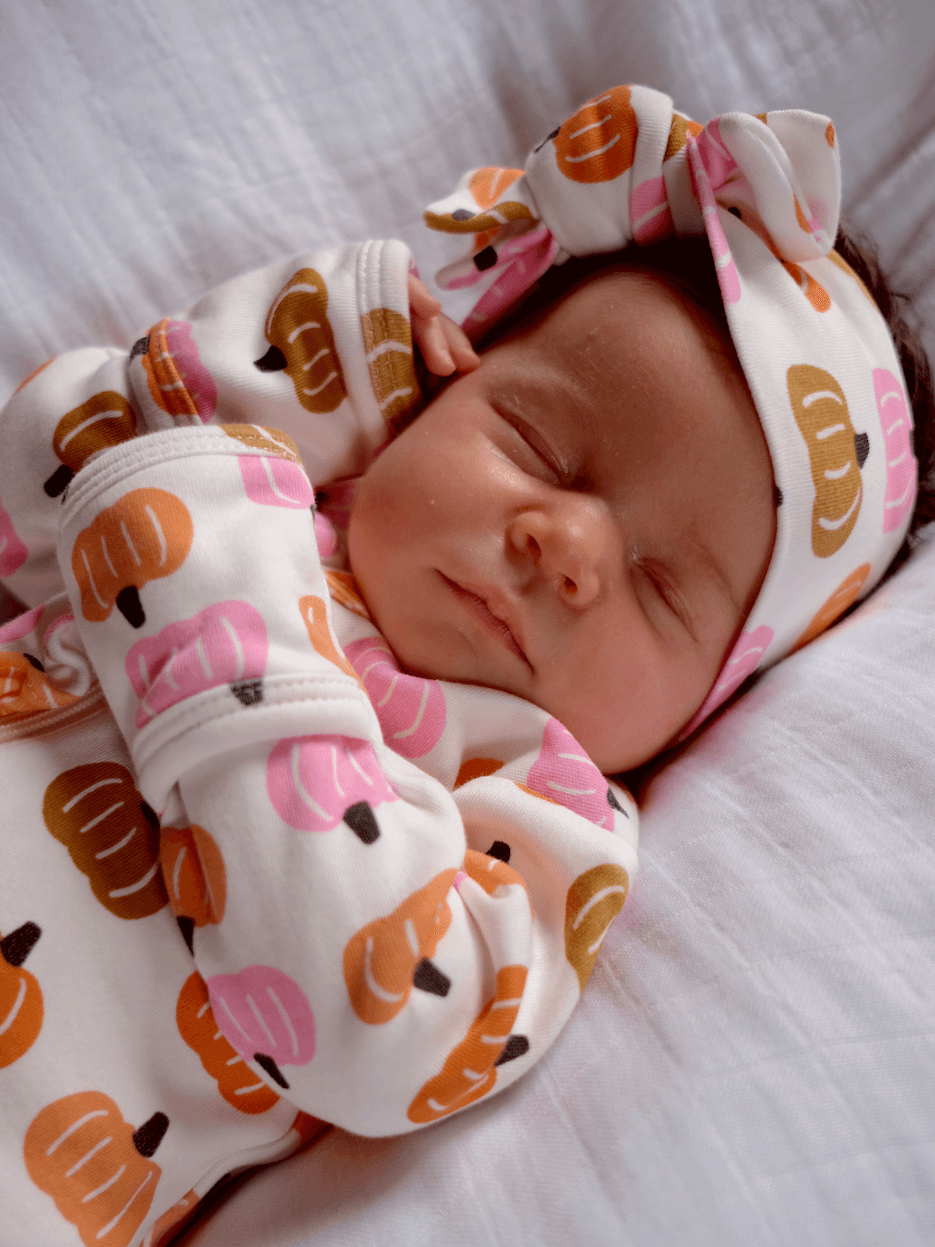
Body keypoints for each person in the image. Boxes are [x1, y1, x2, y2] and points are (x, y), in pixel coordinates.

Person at [0, 84, 929, 1247]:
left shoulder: (536, 814)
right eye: (534, 443)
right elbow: (27, 491)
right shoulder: (271, 486)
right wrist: (300, 368)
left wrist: (212, 592)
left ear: (705, 706)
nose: (567, 544)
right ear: (439, 385)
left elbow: (368, 1030)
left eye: (659, 587)